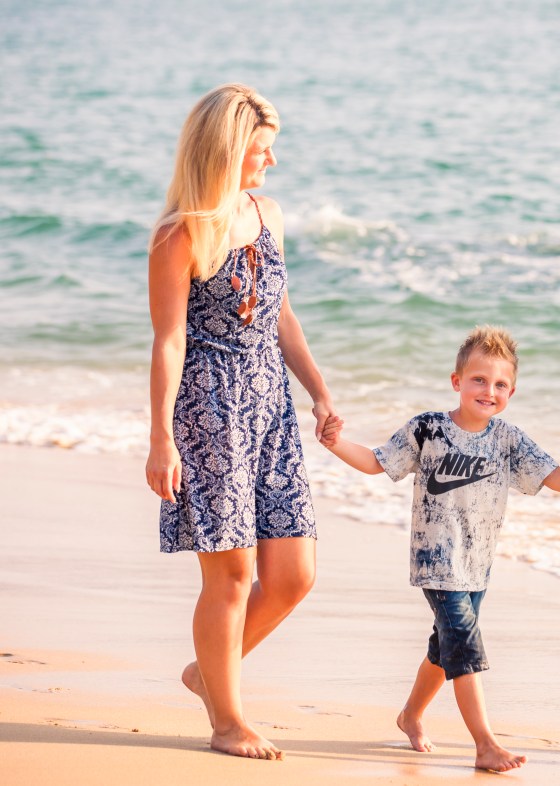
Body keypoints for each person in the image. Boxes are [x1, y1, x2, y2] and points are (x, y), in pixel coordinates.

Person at [318, 325, 560, 773]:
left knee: (444, 649)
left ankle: (410, 715)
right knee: (465, 646)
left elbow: (551, 473)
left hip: (476, 564)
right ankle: (485, 743)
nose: (489, 390)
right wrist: (335, 442)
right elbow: (377, 462)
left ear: (511, 392)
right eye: (479, 380)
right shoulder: (428, 429)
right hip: (436, 561)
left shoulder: (508, 440)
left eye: (500, 384)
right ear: (457, 381)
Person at [145, 84, 337, 760]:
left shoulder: (269, 213)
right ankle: (227, 721)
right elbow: (169, 340)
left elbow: (280, 311)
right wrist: (161, 437)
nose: (272, 162)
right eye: (262, 150)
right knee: (228, 576)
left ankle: (208, 675)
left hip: (272, 407)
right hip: (210, 410)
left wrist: (317, 389)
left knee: (293, 574)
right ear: (227, 152)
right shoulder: (179, 235)